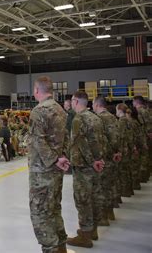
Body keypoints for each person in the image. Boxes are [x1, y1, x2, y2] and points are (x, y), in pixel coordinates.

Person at [28, 76, 69, 253]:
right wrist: (62, 157)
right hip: (56, 170)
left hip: (42, 172)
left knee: (40, 213)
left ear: (37, 90)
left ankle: (52, 249)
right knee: (54, 209)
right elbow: (66, 137)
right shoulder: (60, 109)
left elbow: (38, 141)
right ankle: (61, 247)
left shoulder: (39, 111)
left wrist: (53, 159)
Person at [66, 91, 105, 248]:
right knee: (95, 197)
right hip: (95, 165)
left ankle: (85, 235)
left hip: (83, 166)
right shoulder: (96, 118)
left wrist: (92, 161)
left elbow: (81, 144)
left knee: (83, 200)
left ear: (75, 102)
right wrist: (98, 159)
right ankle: (93, 230)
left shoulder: (78, 119)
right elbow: (99, 142)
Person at [93, 96, 119, 222]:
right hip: (112, 155)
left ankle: (103, 218)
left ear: (97, 105)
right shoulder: (112, 117)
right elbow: (115, 136)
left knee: (100, 188)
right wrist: (116, 151)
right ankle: (110, 213)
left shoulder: (99, 118)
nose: (92, 106)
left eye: (93, 104)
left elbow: (98, 139)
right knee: (108, 185)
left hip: (103, 156)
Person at [116, 104, 134, 198]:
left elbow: (121, 136)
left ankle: (124, 191)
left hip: (124, 148)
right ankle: (129, 190)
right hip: (128, 147)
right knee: (127, 170)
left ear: (119, 110)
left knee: (122, 171)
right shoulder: (129, 120)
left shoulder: (122, 121)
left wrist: (119, 150)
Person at [132, 96, 151, 182]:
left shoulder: (139, 111)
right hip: (147, 135)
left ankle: (142, 177)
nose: (133, 104)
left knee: (141, 157)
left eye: (133, 102)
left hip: (142, 136)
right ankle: (146, 175)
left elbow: (140, 125)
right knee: (146, 155)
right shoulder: (146, 110)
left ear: (136, 102)